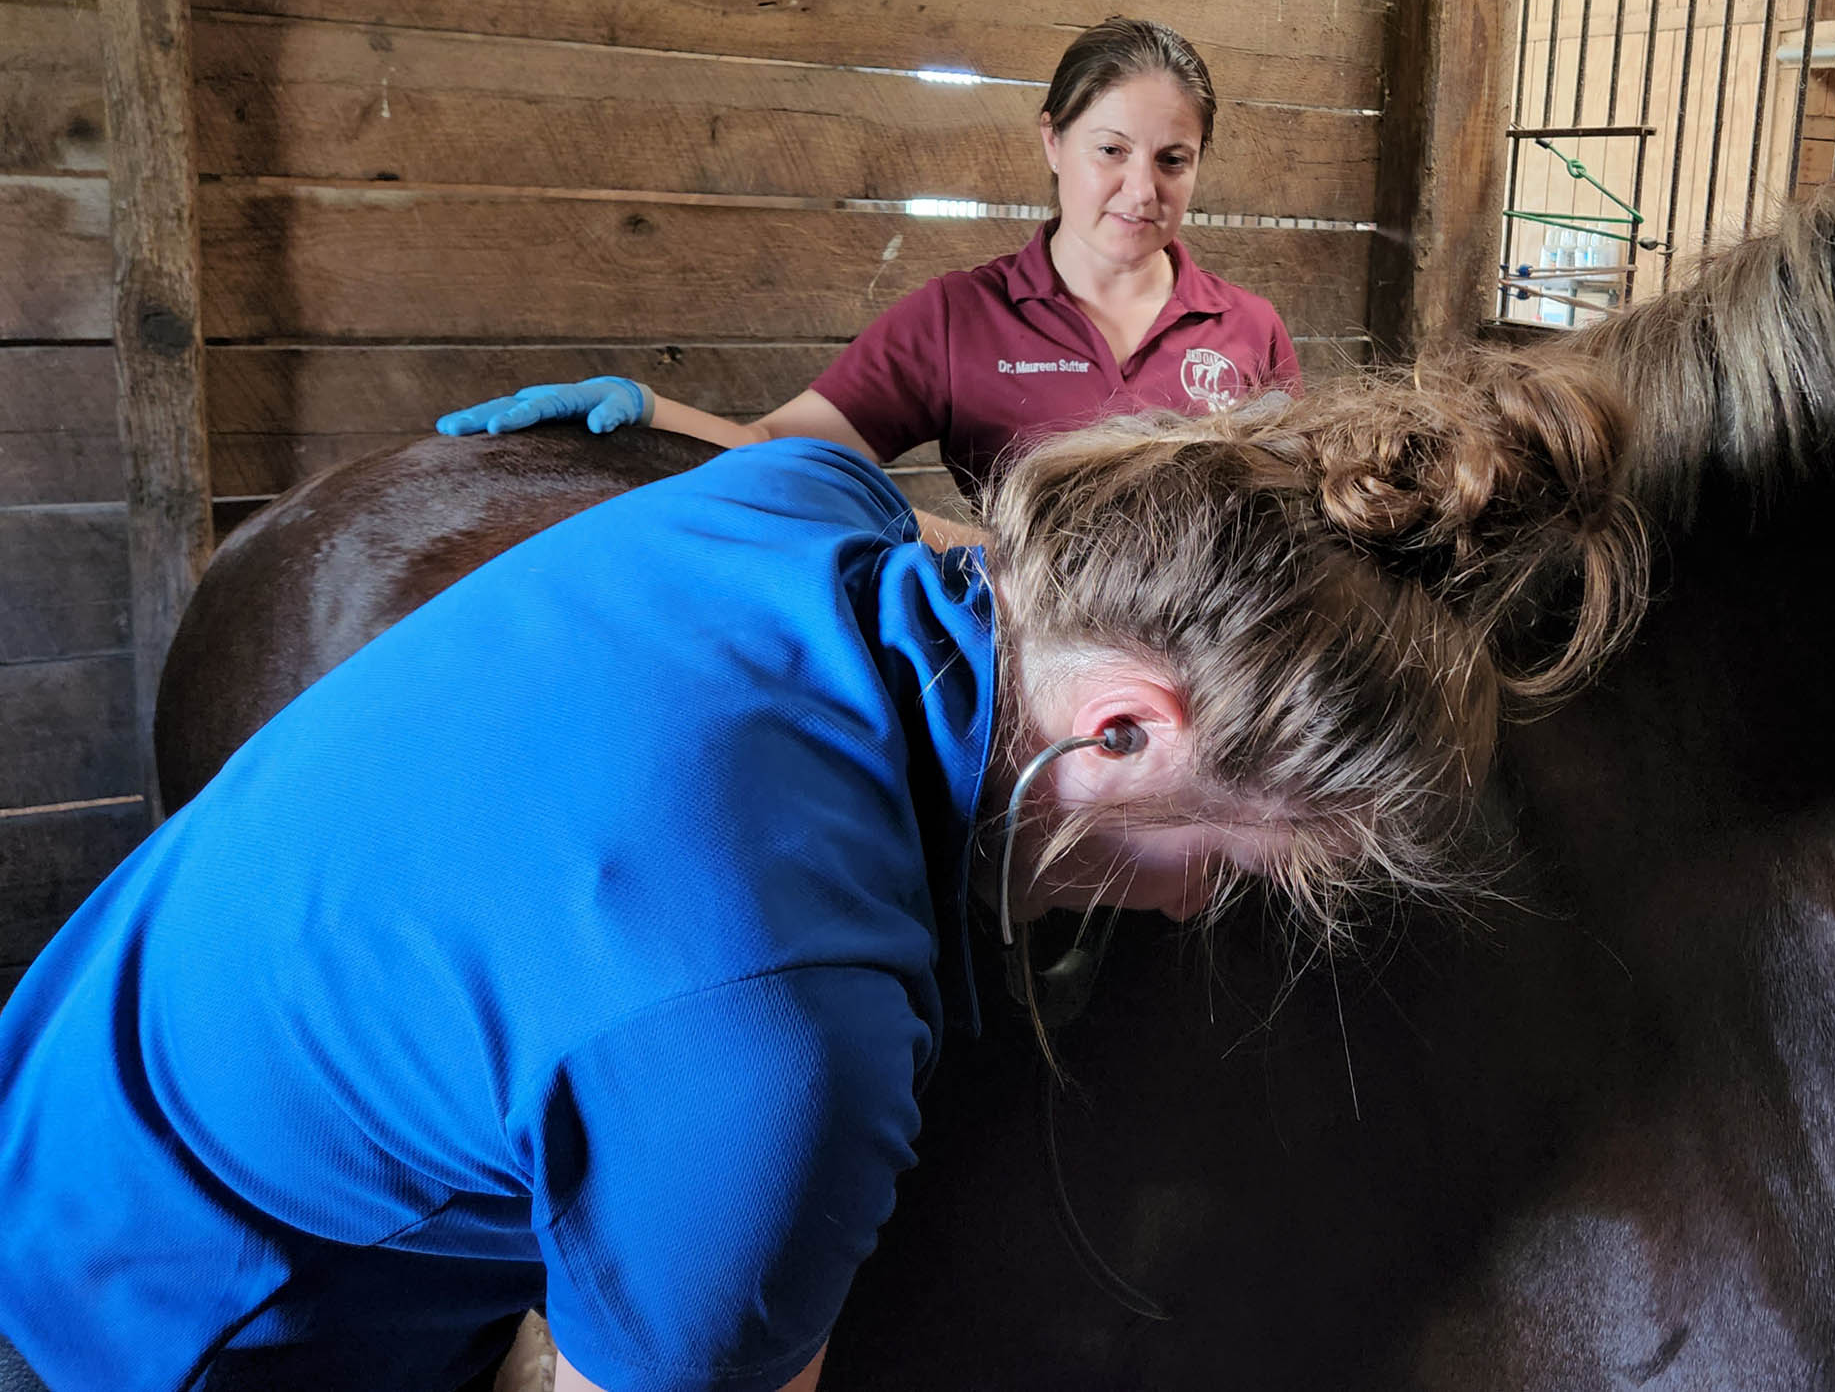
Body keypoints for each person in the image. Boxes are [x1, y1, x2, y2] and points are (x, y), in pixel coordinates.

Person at [0, 350, 1648, 1392]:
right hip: (181, 1313)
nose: (1206, 903)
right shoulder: (780, 1038)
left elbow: (976, 556)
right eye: (1240, 855)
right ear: (1126, 732)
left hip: (74, 1055)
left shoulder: (792, 503)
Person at [435, 17, 1302, 542]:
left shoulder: (1246, 327)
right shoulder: (960, 317)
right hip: (1033, 648)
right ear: (1053, 142)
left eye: (1173, 160)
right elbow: (790, 446)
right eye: (1110, 150)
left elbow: (1301, 518)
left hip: (1215, 671)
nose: (1141, 189)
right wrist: (649, 411)